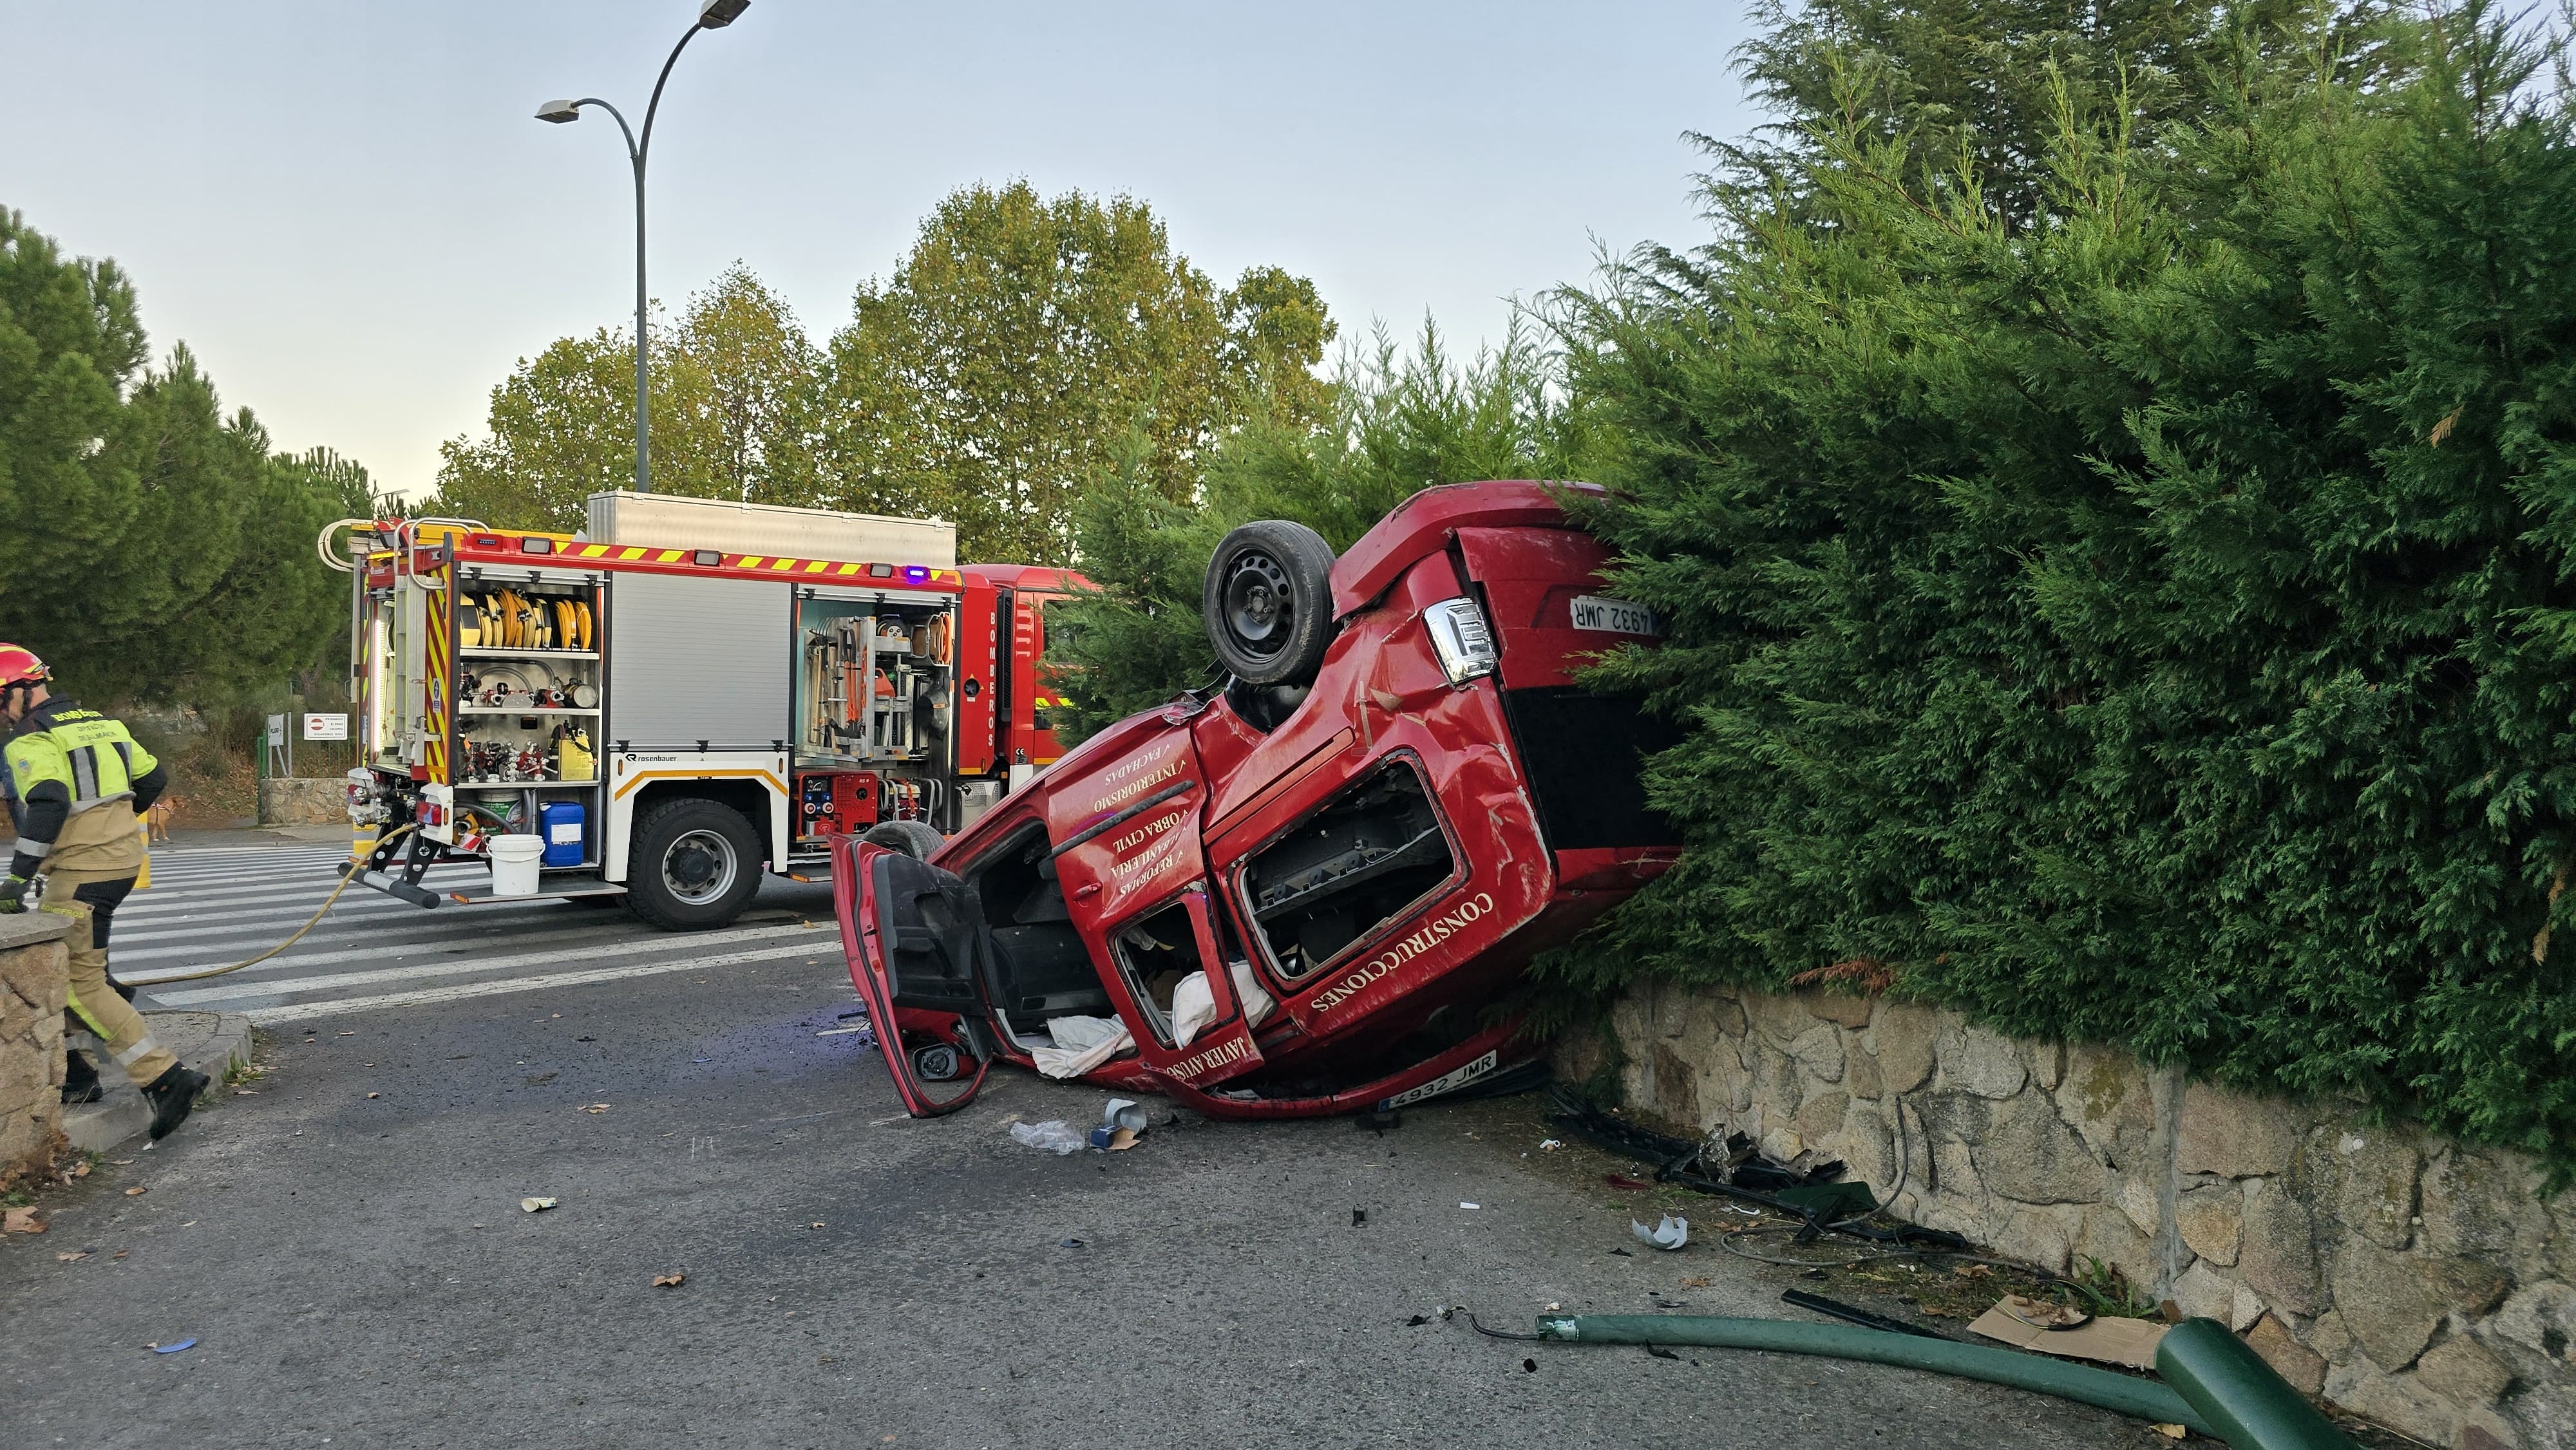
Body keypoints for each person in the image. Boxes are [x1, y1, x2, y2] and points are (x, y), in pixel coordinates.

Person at [0, 645, 206, 1139]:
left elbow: (48, 801)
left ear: (19, 691)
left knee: (79, 981)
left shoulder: (30, 739)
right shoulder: (102, 723)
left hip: (83, 870)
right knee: (69, 965)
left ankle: (165, 1078)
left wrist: (17, 879)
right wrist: (115, 826)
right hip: (119, 861)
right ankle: (78, 1074)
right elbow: (152, 777)